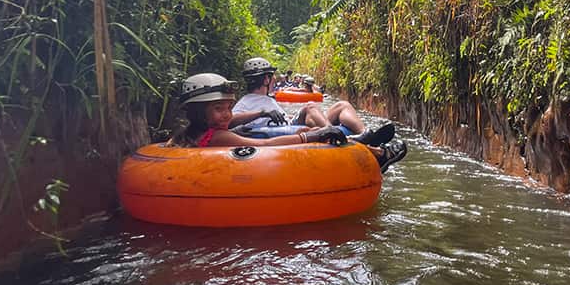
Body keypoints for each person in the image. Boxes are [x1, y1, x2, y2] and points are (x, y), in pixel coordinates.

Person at [229, 58, 408, 170]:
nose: (274, 79)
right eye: (272, 76)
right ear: (266, 79)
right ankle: (336, 134)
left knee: (342, 105)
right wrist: (260, 113)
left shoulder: (270, 98)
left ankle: (366, 135)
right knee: (310, 106)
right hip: (286, 131)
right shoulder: (246, 103)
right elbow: (229, 122)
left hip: (291, 123)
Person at [169, 74, 345, 148]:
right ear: (197, 112)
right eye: (218, 109)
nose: (227, 114)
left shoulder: (185, 135)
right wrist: (310, 137)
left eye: (229, 108)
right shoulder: (218, 137)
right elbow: (265, 145)